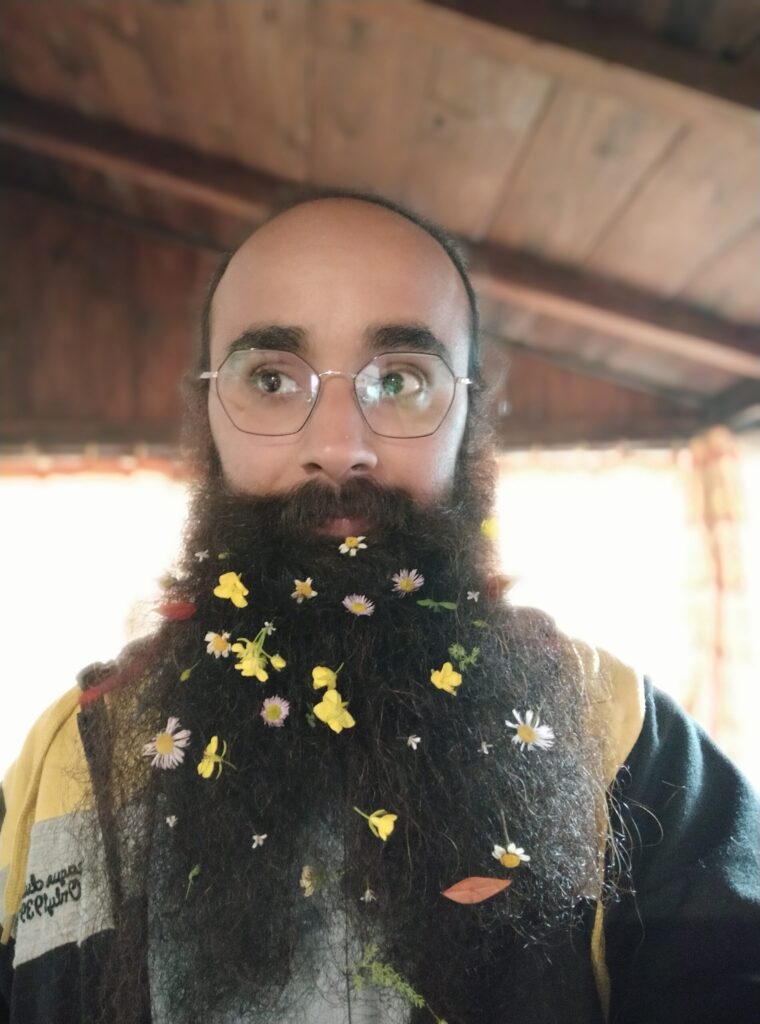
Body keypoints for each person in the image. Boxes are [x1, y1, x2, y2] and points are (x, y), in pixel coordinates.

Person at [1, 192, 758, 1024]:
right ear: (209, 415)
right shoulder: (69, 751)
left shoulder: (621, 734)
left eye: (399, 379)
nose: (338, 446)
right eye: (270, 379)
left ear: (468, 417)